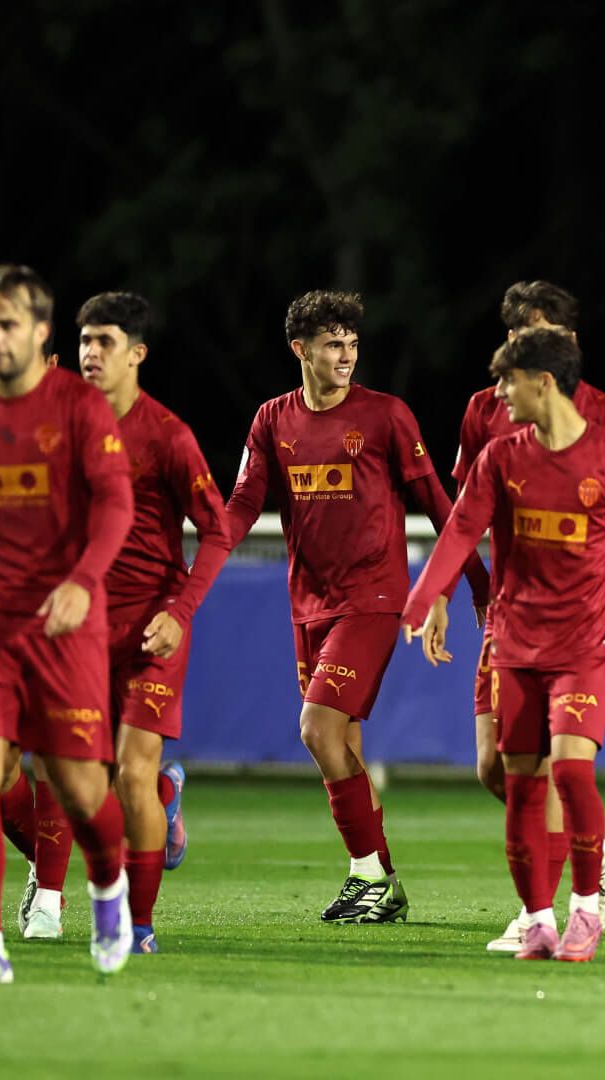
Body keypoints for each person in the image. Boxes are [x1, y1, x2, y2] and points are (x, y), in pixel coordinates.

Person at [222, 289, 488, 924]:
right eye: (332, 344)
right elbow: (240, 506)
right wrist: (198, 556)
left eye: (351, 344)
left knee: (316, 730)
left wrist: (474, 582)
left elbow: (439, 506)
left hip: (373, 596)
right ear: (301, 349)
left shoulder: (386, 416)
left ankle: (368, 873)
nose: (345, 356)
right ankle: (380, 884)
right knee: (345, 742)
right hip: (305, 602)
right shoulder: (271, 420)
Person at [404, 326, 605, 961]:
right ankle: (539, 920)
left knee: (571, 770)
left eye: (506, 381)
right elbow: (464, 525)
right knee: (520, 782)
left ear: (542, 383)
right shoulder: (503, 457)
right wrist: (425, 596)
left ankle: (583, 913)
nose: (498, 394)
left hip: (587, 642)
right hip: (517, 642)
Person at [0, 264, 136, 982]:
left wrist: (82, 581)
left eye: (7, 324)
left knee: (77, 789)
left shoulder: (80, 406)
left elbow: (114, 506)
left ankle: (109, 885)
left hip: (64, 624)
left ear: (42, 332)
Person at [453, 281, 605, 951]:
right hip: (508, 620)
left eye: (547, 337)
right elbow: (466, 517)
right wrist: (457, 594)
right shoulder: (486, 414)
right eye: (523, 335)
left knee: (560, 769)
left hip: (580, 625)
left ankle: (551, 908)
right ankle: (592, 858)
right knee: (495, 771)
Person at [76, 291, 229, 954]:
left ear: (137, 354)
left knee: (129, 776)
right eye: (83, 340)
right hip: (81, 631)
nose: (89, 353)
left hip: (152, 629)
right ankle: (168, 793)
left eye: (104, 342)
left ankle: (136, 927)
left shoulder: (167, 435)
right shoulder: (59, 427)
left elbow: (218, 532)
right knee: (85, 780)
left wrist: (179, 611)